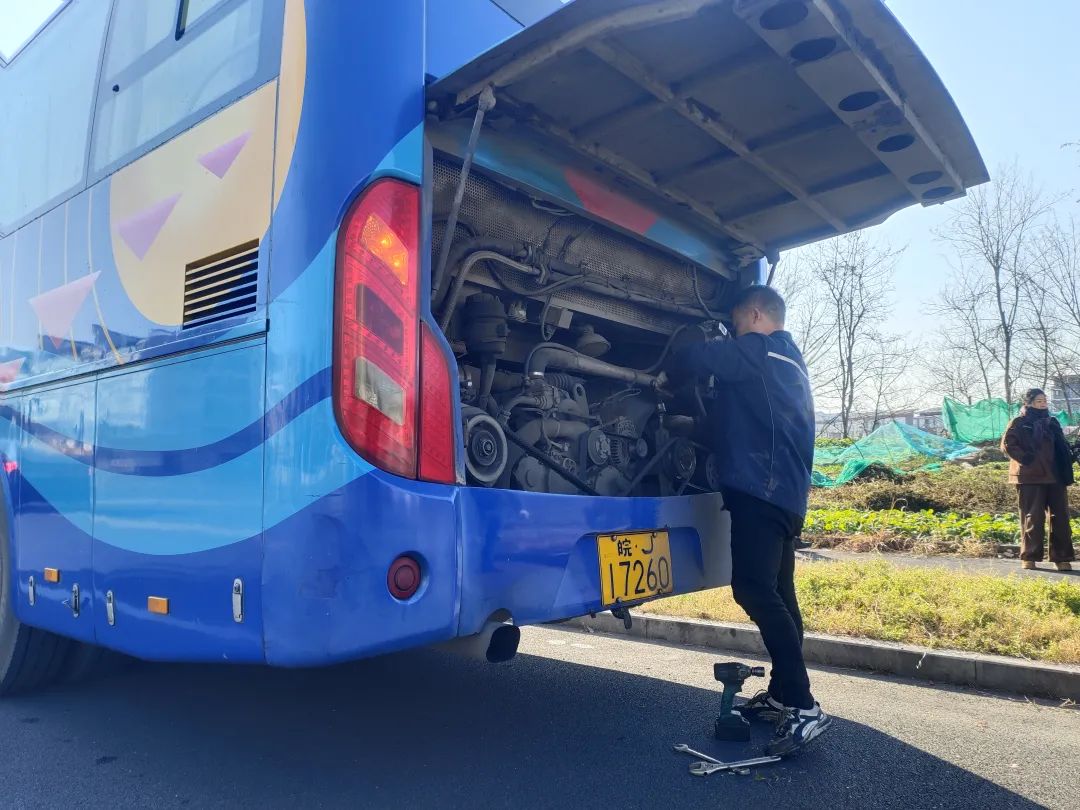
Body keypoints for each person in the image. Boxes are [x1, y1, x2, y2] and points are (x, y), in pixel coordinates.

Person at [662, 285, 828, 756]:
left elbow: (701, 358)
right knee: (780, 594)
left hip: (762, 490)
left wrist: (670, 366)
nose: (736, 334)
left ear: (755, 316)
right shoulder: (790, 361)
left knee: (753, 590)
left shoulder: (761, 350)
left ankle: (804, 706)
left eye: (736, 325)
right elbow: (747, 420)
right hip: (785, 494)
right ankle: (783, 694)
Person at [1000, 389, 1077, 571]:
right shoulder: (1019, 422)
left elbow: (1060, 445)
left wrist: (1069, 455)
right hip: (1030, 476)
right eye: (1039, 401)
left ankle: (1062, 558)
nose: (1043, 404)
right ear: (1028, 403)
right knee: (1032, 516)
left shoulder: (1052, 422)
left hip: (1055, 475)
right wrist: (1026, 459)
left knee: (1061, 517)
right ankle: (1030, 557)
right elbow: (1008, 444)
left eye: (1044, 401)